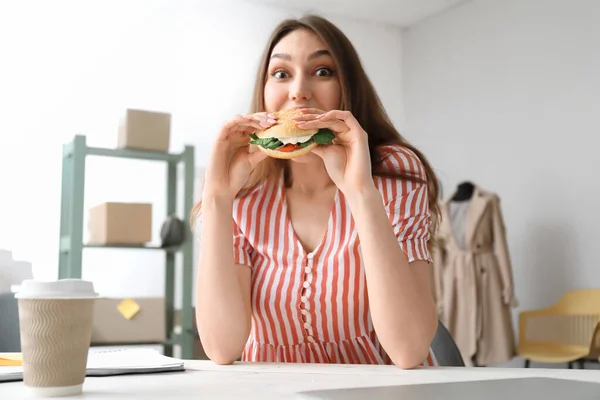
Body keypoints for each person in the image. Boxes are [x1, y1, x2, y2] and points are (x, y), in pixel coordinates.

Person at [193, 14, 441, 369]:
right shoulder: (244, 189)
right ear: (263, 94)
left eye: (323, 71)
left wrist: (360, 192)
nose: (299, 91)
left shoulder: (393, 170)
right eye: (281, 74)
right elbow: (222, 348)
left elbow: (408, 350)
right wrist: (217, 198)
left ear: (348, 87)